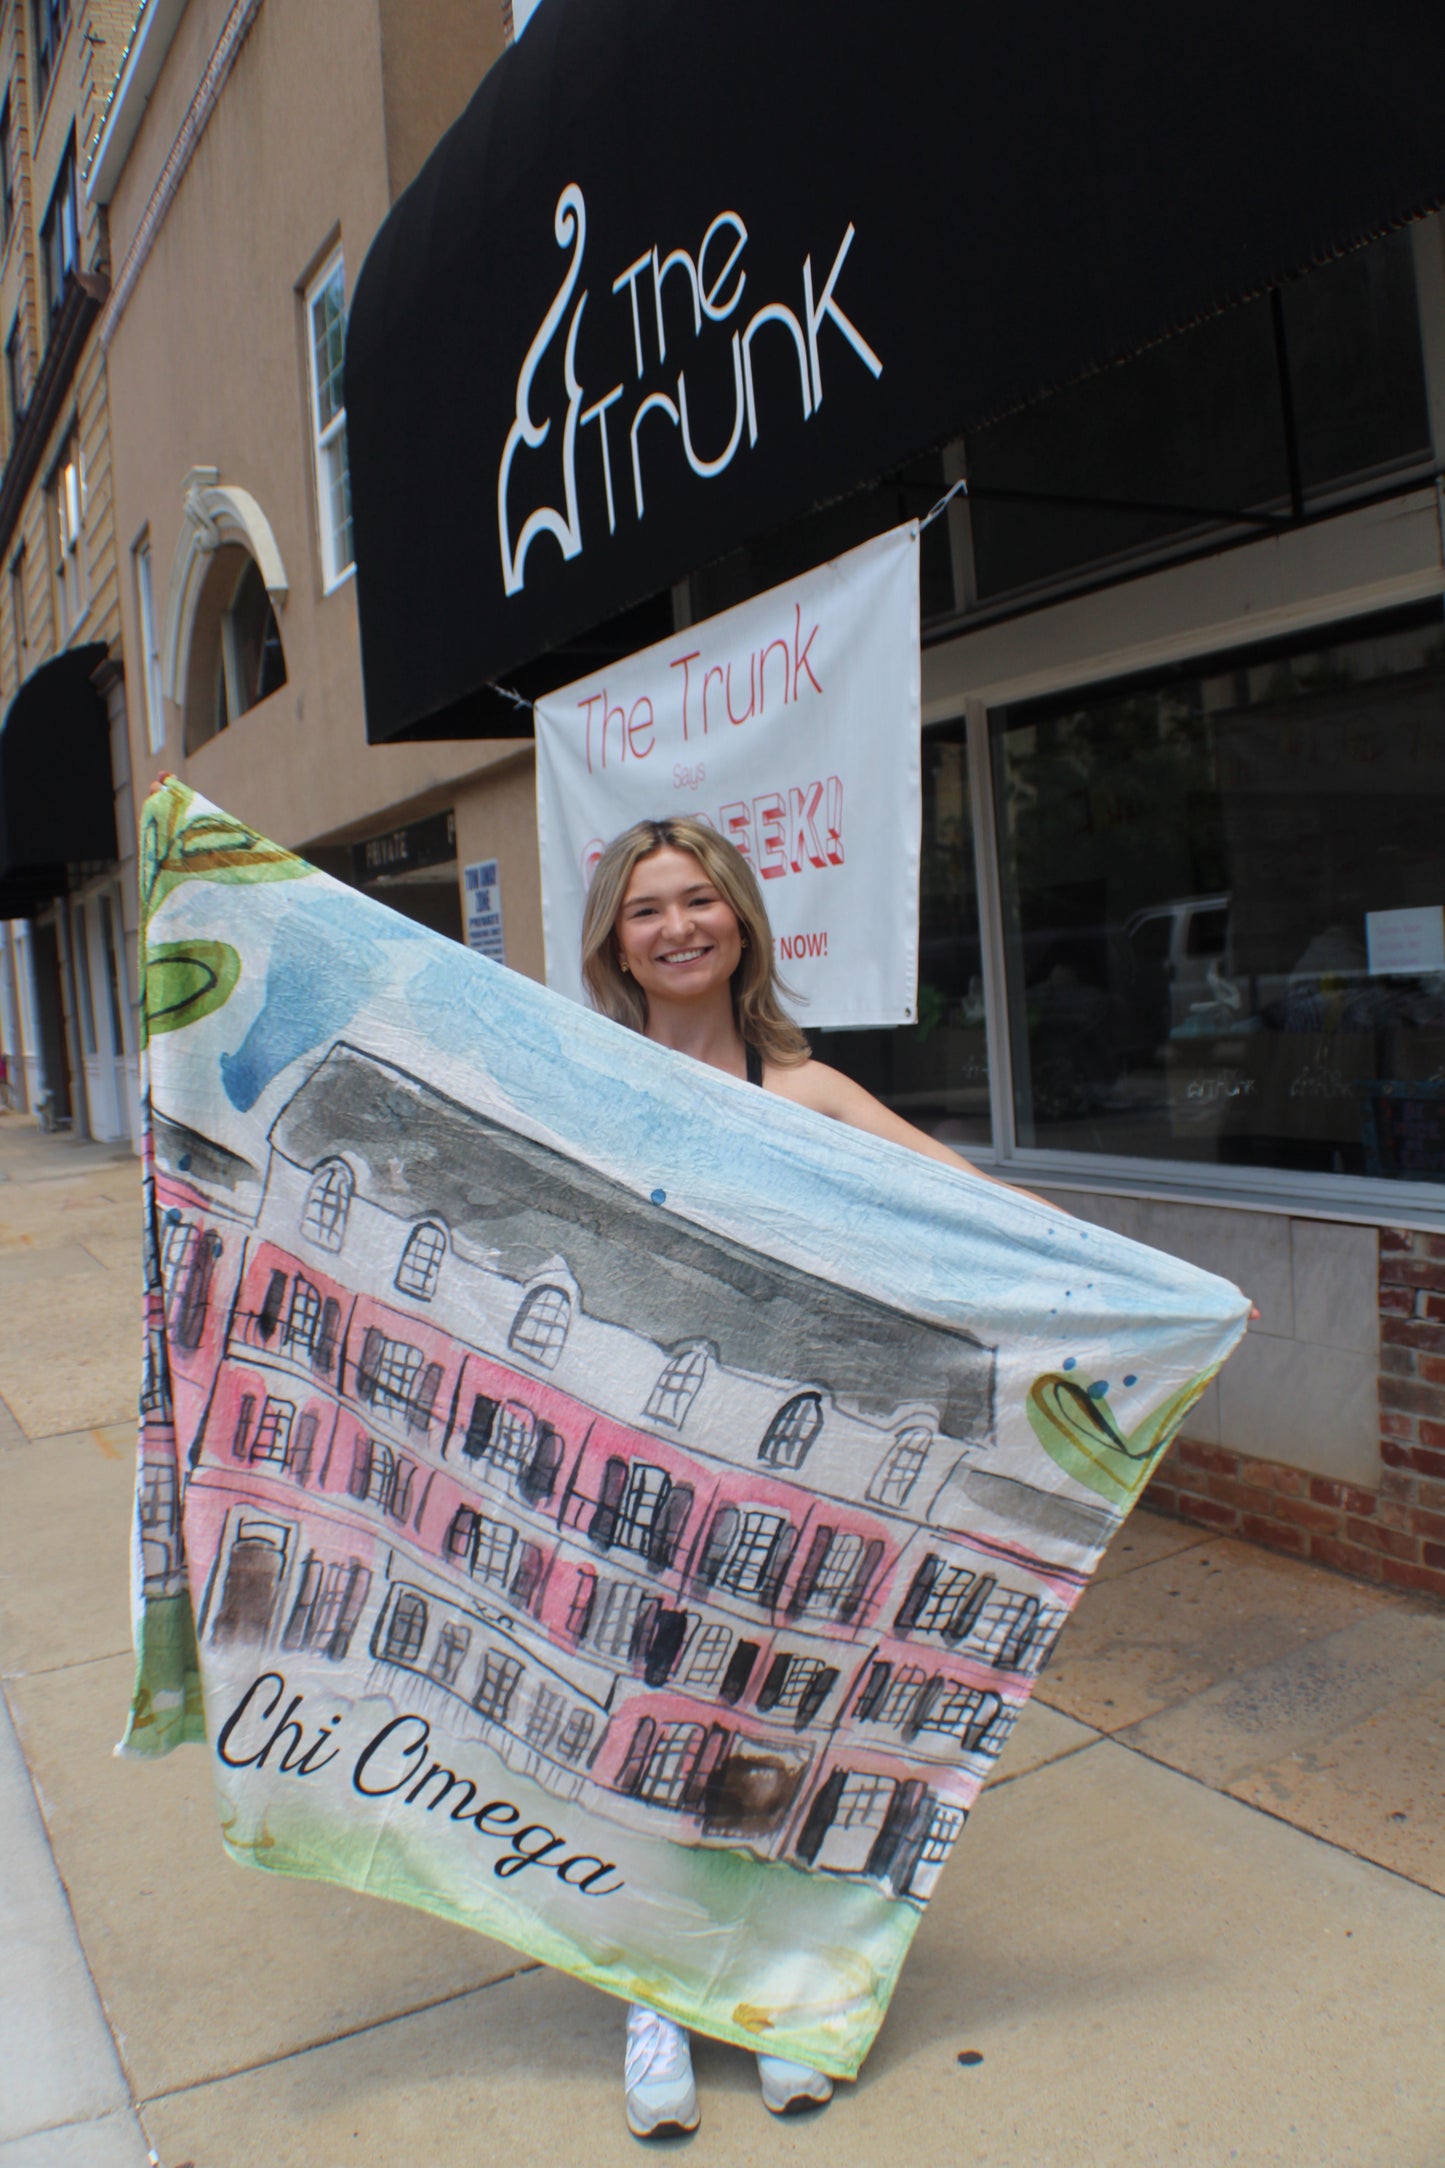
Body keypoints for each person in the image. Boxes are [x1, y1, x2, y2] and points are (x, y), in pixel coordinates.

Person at [579, 815, 1042, 2139]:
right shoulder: (590, 1082)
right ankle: (651, 1995)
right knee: (654, 1728)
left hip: (808, 1478)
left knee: (785, 1727)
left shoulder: (813, 1093)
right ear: (617, 938)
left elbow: (981, 1211)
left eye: (699, 900)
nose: (677, 927)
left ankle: (770, 1994)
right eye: (648, 908)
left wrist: (1160, 1288)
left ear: (739, 921)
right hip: (646, 1467)